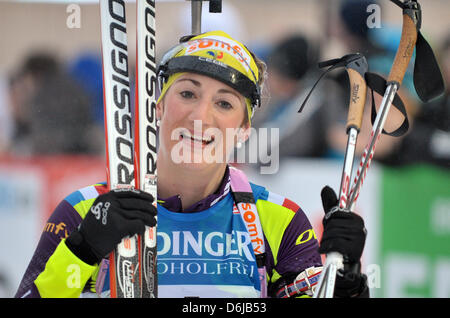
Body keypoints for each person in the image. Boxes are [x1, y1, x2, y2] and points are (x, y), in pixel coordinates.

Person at [15, 31, 368, 298]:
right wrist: (82, 250)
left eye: (225, 104)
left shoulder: (279, 221)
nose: (201, 116)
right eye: (187, 93)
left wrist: (348, 281)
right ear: (158, 107)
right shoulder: (84, 212)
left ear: (245, 129)